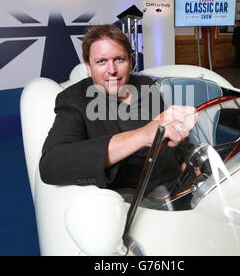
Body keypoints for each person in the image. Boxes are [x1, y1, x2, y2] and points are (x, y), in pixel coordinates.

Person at [39, 24, 197, 195]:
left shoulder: (146, 85)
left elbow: (170, 132)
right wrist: (143, 135)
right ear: (88, 68)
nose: (112, 70)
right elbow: (51, 164)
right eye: (101, 62)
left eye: (119, 59)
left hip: (180, 182)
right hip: (139, 199)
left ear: (130, 61)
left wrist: (190, 160)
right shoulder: (73, 99)